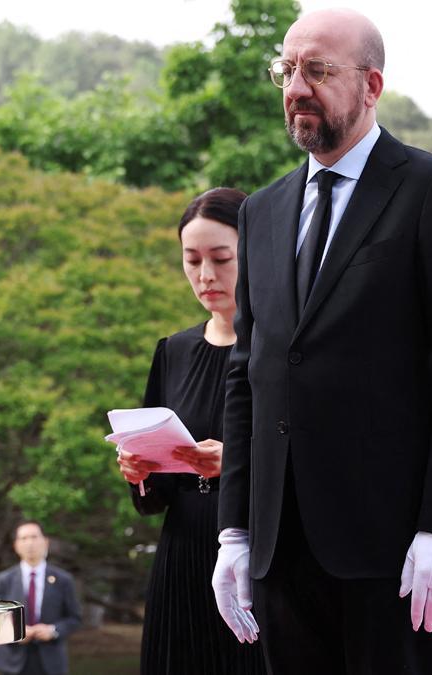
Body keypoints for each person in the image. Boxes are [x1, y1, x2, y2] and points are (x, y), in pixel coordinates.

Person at [211, 9, 432, 674]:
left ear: (371, 85)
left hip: (394, 550)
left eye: (318, 70)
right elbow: (247, 374)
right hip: (281, 551)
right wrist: (234, 530)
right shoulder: (262, 210)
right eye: (287, 70)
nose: (295, 86)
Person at [116, 188, 265, 675]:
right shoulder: (174, 351)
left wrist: (236, 464)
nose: (205, 275)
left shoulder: (282, 349)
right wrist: (139, 471)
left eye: (221, 259)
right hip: (180, 556)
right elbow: (154, 498)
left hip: (256, 556)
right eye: (192, 259)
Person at [0, 521, 82, 675]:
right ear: (16, 545)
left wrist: (53, 630)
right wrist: (15, 631)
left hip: (51, 661)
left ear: (45, 541)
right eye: (24, 538)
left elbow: (75, 618)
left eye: (34, 537)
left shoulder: (63, 579)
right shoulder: (5, 579)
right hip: (12, 662)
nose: (30, 543)